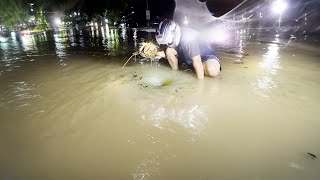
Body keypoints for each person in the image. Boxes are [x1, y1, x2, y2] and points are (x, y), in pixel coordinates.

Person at [155, 19, 221, 79]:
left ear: (174, 34)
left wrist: (201, 86)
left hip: (205, 56)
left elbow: (197, 62)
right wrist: (155, 53)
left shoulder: (188, 38)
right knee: (168, 50)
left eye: (168, 42)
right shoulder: (176, 35)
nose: (168, 44)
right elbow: (167, 52)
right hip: (189, 56)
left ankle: (197, 68)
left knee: (212, 70)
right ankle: (175, 71)